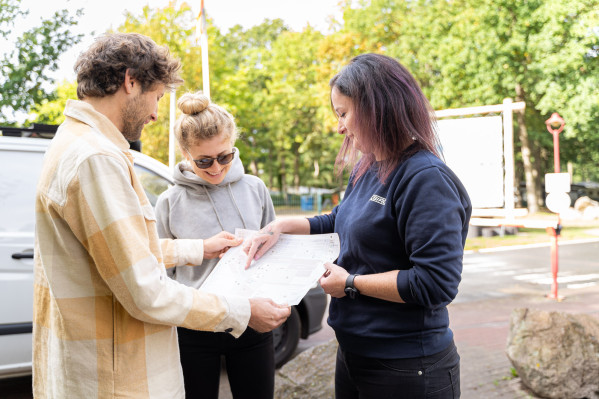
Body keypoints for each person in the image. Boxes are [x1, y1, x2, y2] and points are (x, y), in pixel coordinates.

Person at [33, 32, 289, 399]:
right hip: (115, 378)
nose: (156, 113)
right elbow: (146, 291)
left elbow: (121, 254)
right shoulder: (96, 160)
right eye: (156, 97)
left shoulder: (72, 143)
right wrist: (242, 311)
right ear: (130, 81)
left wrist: (197, 249)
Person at [244, 53, 472, 399]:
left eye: (343, 113)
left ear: (377, 108)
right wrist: (285, 225)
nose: (340, 127)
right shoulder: (368, 166)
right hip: (355, 355)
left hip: (407, 365)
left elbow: (435, 282)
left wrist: (351, 284)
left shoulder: (426, 180)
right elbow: (342, 220)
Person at [154, 92, 277, 399]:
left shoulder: (255, 188)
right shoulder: (169, 202)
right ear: (185, 152)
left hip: (252, 321)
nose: (215, 168)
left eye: (224, 156)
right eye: (204, 161)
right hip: (195, 329)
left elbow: (275, 248)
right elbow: (159, 269)